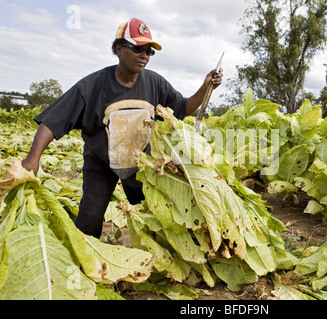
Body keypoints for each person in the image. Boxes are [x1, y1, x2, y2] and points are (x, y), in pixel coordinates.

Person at [21, 18, 223, 238]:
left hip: (141, 164)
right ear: (118, 49)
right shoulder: (92, 85)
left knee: (154, 217)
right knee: (90, 218)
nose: (144, 55)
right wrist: (33, 158)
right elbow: (54, 120)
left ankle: (155, 262)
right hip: (101, 163)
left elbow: (183, 107)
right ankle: (87, 261)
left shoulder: (155, 82)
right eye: (138, 48)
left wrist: (205, 87)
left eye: (149, 51)